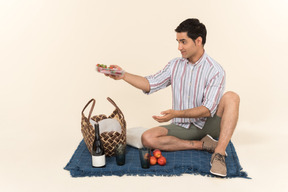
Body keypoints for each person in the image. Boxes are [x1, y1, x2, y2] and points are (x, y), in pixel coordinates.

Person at [102, 18, 240, 177]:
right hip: (183, 126)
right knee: (147, 138)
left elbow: (207, 110)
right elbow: (150, 83)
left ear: (198, 41)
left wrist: (176, 113)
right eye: (178, 42)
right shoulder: (175, 65)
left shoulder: (215, 70)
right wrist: (123, 75)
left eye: (183, 42)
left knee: (232, 97)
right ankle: (202, 145)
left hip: (210, 123)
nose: (179, 47)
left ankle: (219, 153)